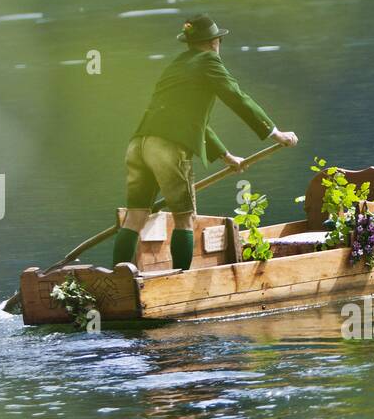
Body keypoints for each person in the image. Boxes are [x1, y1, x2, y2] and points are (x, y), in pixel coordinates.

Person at [117, 13, 297, 269]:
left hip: (139, 145)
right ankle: (180, 278)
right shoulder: (209, 61)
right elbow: (237, 97)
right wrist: (274, 132)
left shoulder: (176, 65)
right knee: (184, 219)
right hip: (168, 147)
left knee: (135, 217)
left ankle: (117, 279)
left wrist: (226, 156)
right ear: (214, 42)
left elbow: (193, 122)